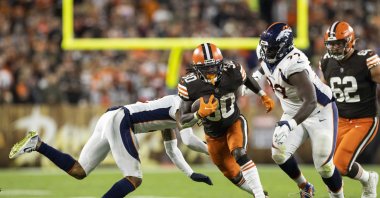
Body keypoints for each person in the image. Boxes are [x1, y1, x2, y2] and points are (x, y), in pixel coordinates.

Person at [9, 95, 211, 198]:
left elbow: (172, 149)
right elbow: (189, 139)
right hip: (121, 119)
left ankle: (38, 144)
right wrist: (217, 151)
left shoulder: (171, 111)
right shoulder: (178, 106)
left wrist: (191, 174)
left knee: (79, 171)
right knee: (134, 178)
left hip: (110, 117)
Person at [252, 22, 344, 198]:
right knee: (278, 153)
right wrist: (252, 81)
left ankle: (339, 196)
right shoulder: (268, 53)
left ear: (283, 47)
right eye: (265, 48)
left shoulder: (294, 66)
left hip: (319, 111)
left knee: (324, 166)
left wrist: (288, 125)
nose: (265, 52)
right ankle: (305, 186)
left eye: (270, 49)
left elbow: (310, 101)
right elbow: (263, 69)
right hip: (294, 111)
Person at [177, 42, 275, 198]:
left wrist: (262, 94)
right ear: (196, 69)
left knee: (239, 152)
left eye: (214, 66)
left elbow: (246, 79)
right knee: (232, 174)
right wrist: (198, 115)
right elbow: (182, 120)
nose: (211, 71)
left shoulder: (232, 70)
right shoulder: (190, 84)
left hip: (233, 123)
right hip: (213, 135)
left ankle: (259, 196)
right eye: (206, 68)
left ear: (220, 64)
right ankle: (262, 194)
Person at [319, 21, 379, 198]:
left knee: (340, 165)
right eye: (331, 44)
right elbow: (324, 92)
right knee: (326, 165)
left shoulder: (365, 59)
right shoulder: (326, 62)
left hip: (364, 120)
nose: (335, 48)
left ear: (350, 41)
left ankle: (368, 179)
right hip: (340, 121)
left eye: (338, 43)